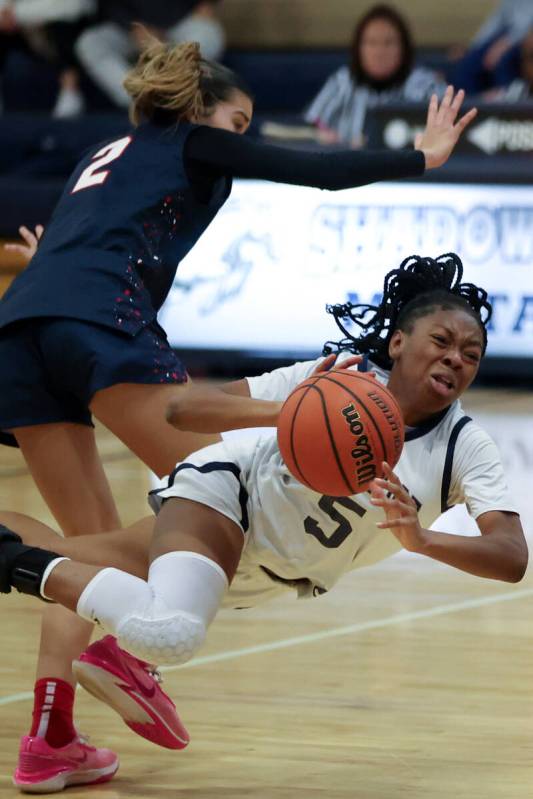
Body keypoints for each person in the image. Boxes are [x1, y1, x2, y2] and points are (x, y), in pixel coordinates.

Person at [0, 30, 474, 788]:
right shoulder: (192, 140)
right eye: (239, 124)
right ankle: (122, 653)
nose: (240, 139)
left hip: (22, 328)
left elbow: (78, 240)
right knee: (212, 496)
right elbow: (312, 171)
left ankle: (51, 733)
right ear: (201, 110)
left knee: (85, 548)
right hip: (96, 322)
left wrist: (44, 264)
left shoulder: (104, 153)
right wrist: (419, 157)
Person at [0, 253, 527, 790]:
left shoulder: (465, 447)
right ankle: (48, 594)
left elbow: (511, 557)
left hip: (267, 573)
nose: (456, 359)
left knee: (82, 560)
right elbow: (182, 413)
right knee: (170, 632)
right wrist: (287, 409)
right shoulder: (334, 380)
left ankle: (57, 734)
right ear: (398, 342)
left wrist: (422, 538)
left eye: (471, 353)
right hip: (227, 496)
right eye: (441, 341)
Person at [304, 3, 446, 147]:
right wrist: (322, 138)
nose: (379, 52)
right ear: (358, 48)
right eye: (371, 43)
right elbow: (308, 129)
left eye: (389, 43)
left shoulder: (427, 85)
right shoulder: (341, 82)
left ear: (404, 48)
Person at [75, 0, 225, 110]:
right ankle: (142, 100)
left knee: (207, 34)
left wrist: (208, 4)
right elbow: (108, 6)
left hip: (181, 21)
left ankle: (177, 93)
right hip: (131, 27)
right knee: (90, 42)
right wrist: (132, 26)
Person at [0, 0, 96, 116]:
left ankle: (70, 89)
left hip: (68, 29)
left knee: (62, 27)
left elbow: (76, 6)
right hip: (23, 27)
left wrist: (17, 15)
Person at [449, 0, 533, 95]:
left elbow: (523, 28)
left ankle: (505, 97)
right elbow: (493, 25)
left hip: (519, 42)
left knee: (504, 60)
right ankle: (468, 102)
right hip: (503, 38)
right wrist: (472, 48)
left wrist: (502, 46)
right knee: (468, 63)